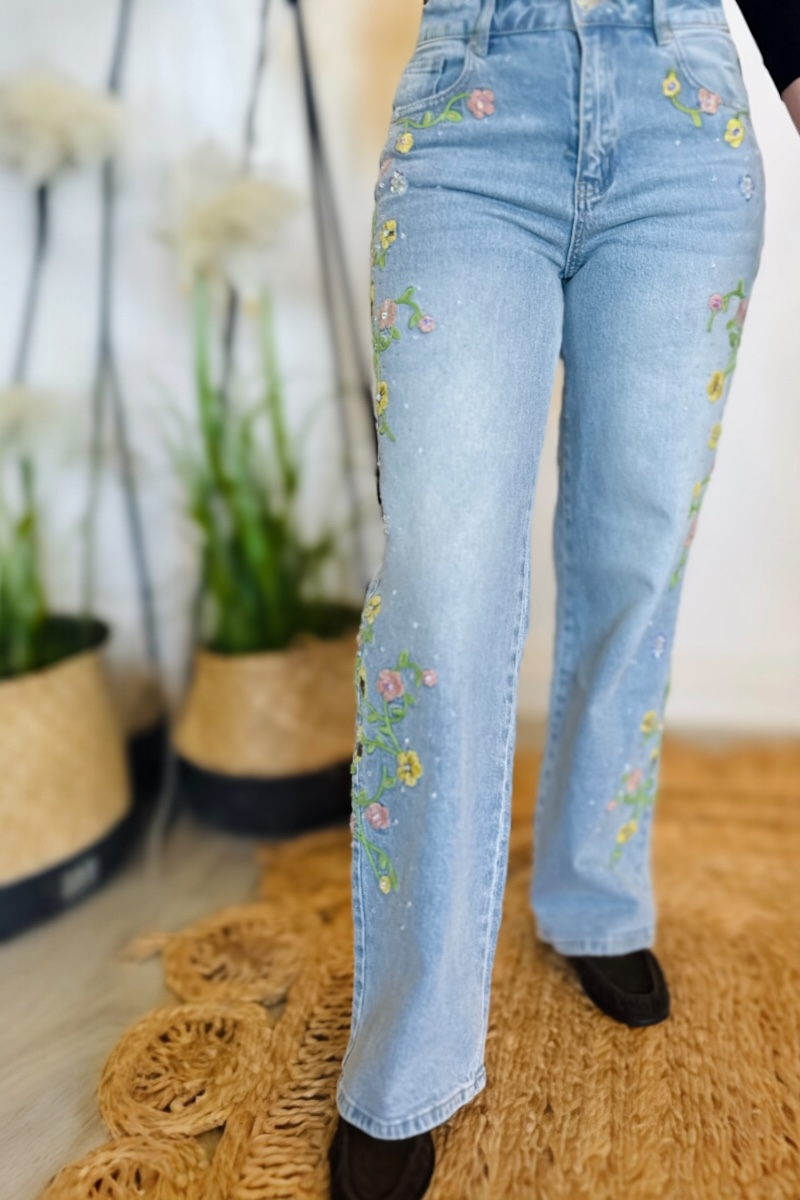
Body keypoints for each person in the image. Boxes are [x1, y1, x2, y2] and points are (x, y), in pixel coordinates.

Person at [328, 1, 800, 1197]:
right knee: (438, 597)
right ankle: (407, 1053)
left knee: (635, 552)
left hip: (683, 114)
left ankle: (593, 892)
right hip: (475, 102)